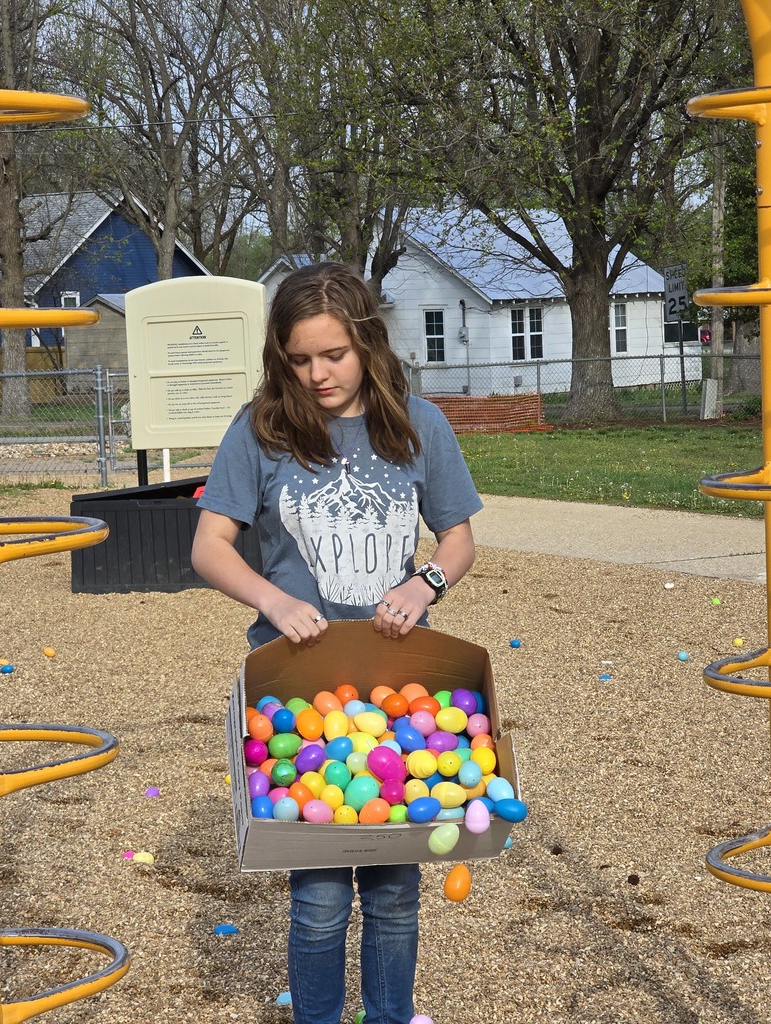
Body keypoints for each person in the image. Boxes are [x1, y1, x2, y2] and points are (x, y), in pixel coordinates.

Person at [191, 261, 482, 1024]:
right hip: (297, 698)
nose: (317, 374)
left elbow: (457, 539)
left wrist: (425, 586)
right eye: (299, 359)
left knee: (394, 898)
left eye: (334, 355)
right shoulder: (261, 430)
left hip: (396, 696)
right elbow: (210, 546)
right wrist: (272, 596)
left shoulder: (421, 424)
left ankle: (389, 1016)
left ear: (368, 345)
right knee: (318, 902)